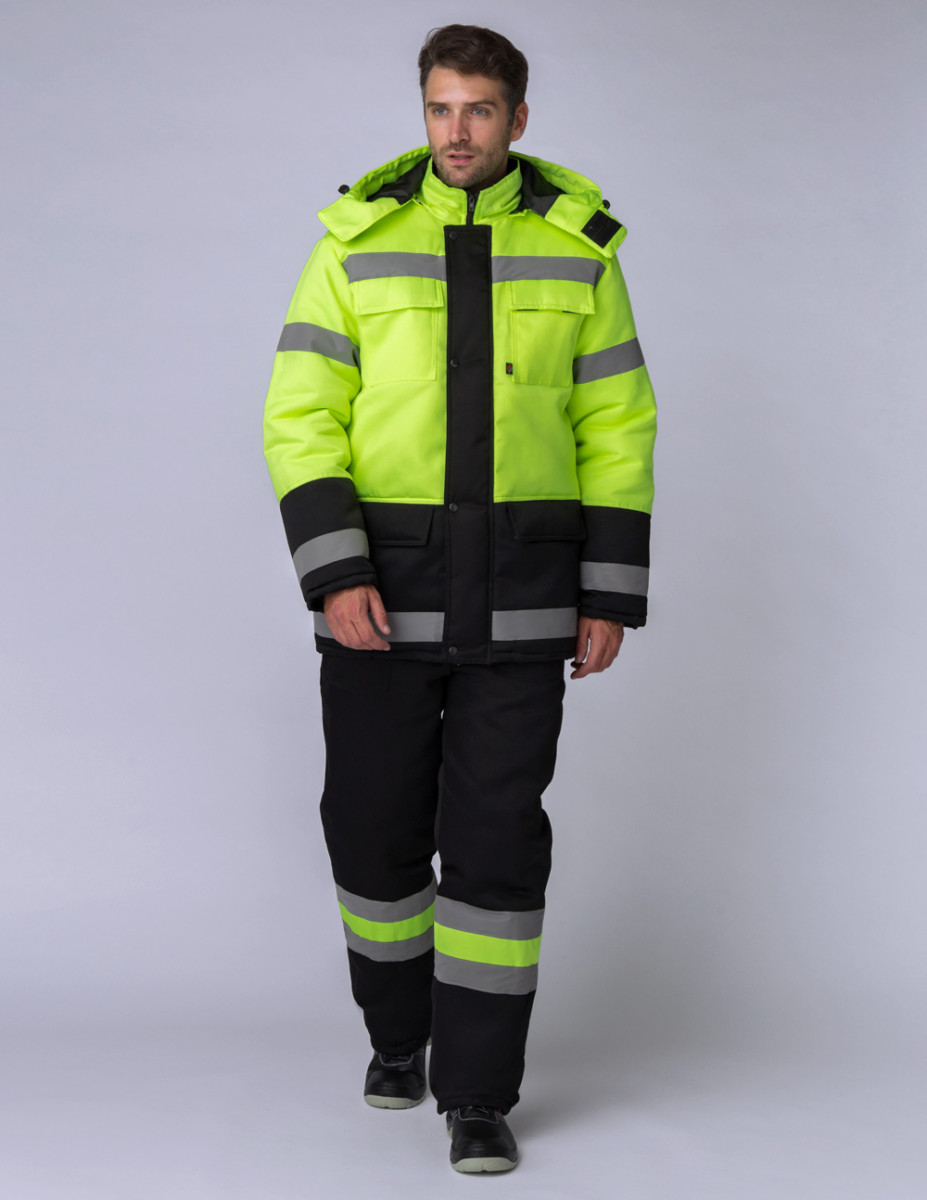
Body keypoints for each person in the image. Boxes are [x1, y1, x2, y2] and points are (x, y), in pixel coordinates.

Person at [262, 23, 657, 1174]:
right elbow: (299, 416)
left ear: (518, 119)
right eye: (441, 107)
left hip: (525, 605)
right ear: (423, 112)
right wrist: (337, 572)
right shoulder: (355, 245)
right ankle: (398, 1038)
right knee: (370, 831)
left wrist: (608, 592)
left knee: (496, 850)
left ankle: (477, 1096)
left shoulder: (579, 250)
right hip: (379, 602)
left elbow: (618, 424)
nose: (458, 130)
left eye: (480, 109)